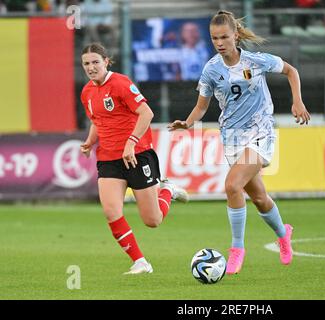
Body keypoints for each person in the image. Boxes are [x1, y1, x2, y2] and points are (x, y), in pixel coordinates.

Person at [168, 10, 310, 275]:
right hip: (232, 137)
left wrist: (297, 101)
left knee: (232, 185)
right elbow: (201, 107)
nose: (220, 43)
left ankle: (236, 249)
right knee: (259, 198)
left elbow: (291, 71)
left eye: (224, 37)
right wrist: (187, 123)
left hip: (261, 131)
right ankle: (283, 234)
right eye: (214, 39)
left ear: (235, 36)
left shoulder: (256, 61)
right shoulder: (211, 69)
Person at [80, 43, 189, 275]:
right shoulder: (87, 92)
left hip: (138, 155)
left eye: (95, 62)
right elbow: (97, 120)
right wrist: (90, 141)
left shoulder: (120, 83)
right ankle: (140, 262)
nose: (91, 67)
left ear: (106, 61)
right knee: (111, 212)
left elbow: (146, 113)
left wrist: (130, 142)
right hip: (109, 159)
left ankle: (168, 190)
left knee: (152, 221)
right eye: (86, 63)